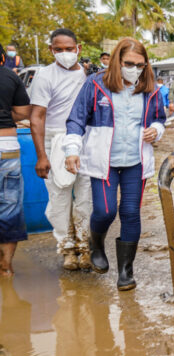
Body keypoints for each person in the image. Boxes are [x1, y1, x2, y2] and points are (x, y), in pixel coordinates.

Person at [63, 37, 167, 291]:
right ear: (117, 61)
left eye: (140, 65)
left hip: (135, 162)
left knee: (131, 213)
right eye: (129, 63)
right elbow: (76, 120)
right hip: (104, 161)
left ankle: (125, 271)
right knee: (105, 211)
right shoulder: (96, 84)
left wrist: (156, 130)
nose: (135, 69)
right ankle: (96, 244)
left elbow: (160, 119)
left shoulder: (150, 87)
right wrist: (72, 150)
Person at [28, 28, 91, 271]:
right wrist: (41, 156)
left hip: (83, 140)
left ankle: (85, 246)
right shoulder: (45, 76)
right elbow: (37, 116)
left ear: (78, 49)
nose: (65, 53)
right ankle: (66, 248)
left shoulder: (87, 76)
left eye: (69, 49)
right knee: (59, 198)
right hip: (54, 141)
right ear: (51, 50)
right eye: (59, 49)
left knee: (85, 197)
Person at [0, 45, 31, 277]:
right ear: (3, 58)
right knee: (9, 206)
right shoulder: (11, 76)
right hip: (6, 146)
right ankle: (7, 266)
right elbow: (22, 112)